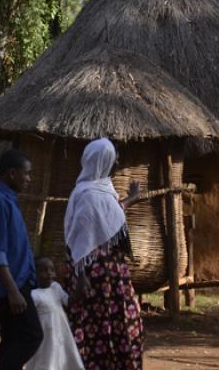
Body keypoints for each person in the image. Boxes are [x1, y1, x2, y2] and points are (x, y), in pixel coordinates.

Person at [63, 138, 144, 370]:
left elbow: (110, 217)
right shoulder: (86, 194)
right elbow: (78, 239)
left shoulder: (105, 189)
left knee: (123, 326)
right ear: (102, 161)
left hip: (114, 277)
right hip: (91, 278)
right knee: (93, 328)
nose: (116, 161)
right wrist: (80, 277)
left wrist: (131, 199)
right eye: (112, 158)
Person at [0, 149, 43, 370]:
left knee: (13, 339)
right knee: (31, 336)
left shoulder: (7, 198)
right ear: (13, 173)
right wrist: (13, 291)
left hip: (17, 281)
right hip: (11, 284)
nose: (29, 179)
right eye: (27, 174)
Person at [26, 257, 85, 370]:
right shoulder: (34, 295)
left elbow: (68, 301)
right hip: (45, 339)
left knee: (63, 357)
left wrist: (79, 288)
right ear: (35, 273)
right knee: (47, 360)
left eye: (51, 270)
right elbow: (29, 319)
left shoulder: (56, 287)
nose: (49, 273)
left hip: (62, 334)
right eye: (44, 270)